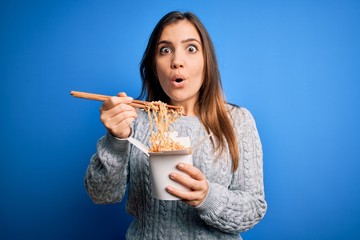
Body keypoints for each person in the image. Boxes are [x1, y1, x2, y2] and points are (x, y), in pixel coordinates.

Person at [85, 11, 267, 239]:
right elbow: (102, 194)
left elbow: (253, 209)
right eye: (165, 50)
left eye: (191, 48)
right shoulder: (136, 119)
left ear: (206, 61)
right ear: (154, 64)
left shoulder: (237, 121)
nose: (177, 61)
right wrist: (116, 140)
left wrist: (207, 197)